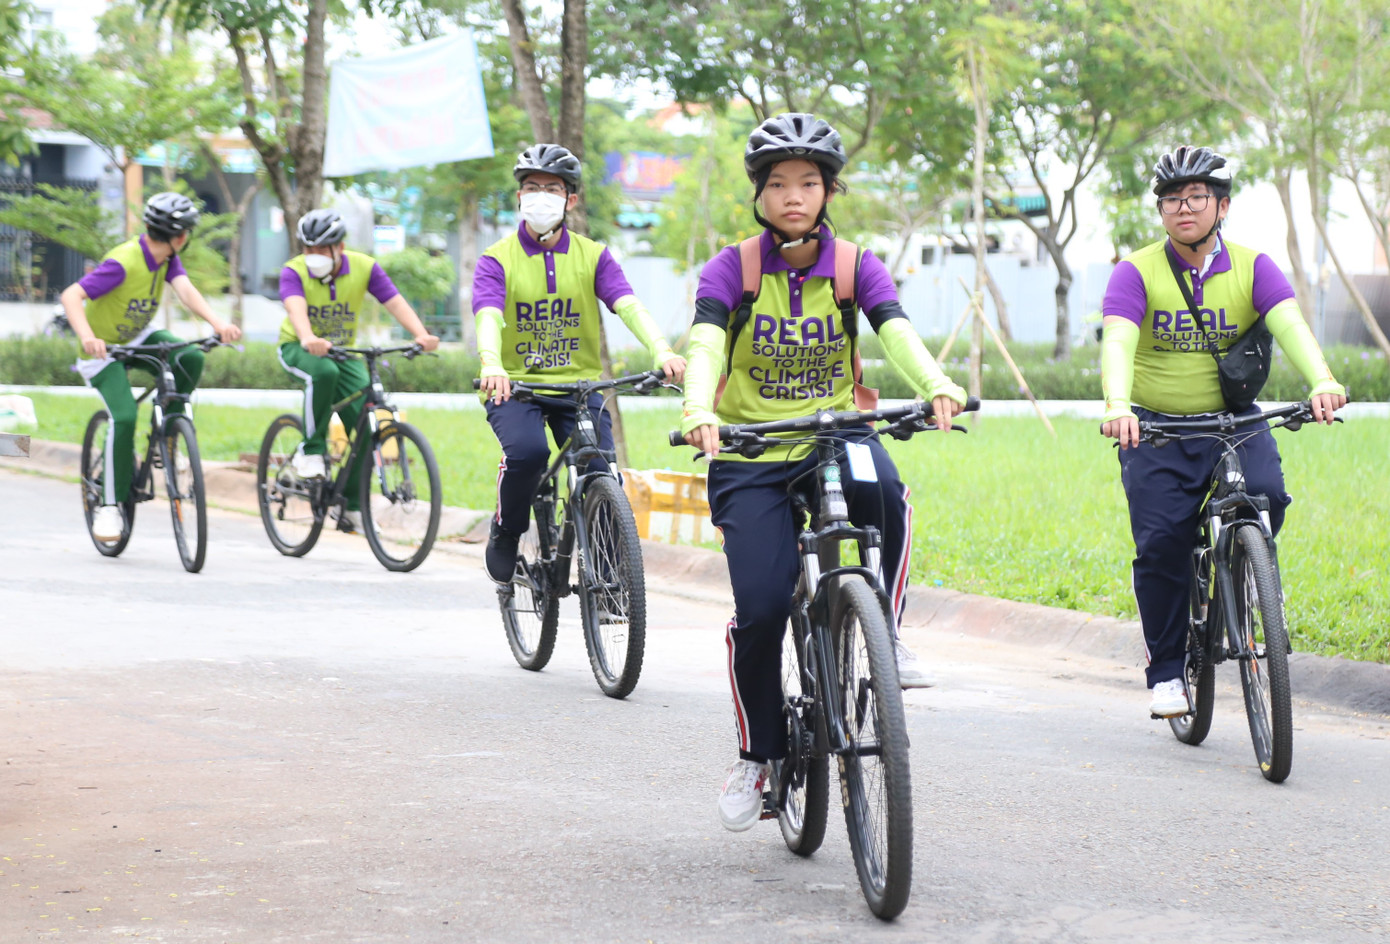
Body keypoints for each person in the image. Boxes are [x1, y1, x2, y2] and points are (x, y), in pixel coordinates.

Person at [678, 113, 967, 832]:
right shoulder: (733, 267)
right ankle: (759, 756)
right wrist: (696, 407)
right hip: (748, 449)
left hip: (834, 433)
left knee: (885, 490)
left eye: (808, 182)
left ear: (829, 190)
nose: (793, 196)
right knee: (763, 609)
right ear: (760, 194)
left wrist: (937, 381)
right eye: (778, 184)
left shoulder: (854, 265)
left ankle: (886, 629)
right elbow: (706, 343)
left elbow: (894, 327)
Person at [1099, 145, 1346, 718]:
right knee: (1161, 544)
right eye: (1170, 199)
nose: (1182, 208)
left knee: (1269, 494)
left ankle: (1255, 574)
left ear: (1222, 205)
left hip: (1234, 421)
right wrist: (1118, 404)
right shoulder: (1135, 270)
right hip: (1157, 429)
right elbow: (1117, 339)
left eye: (1196, 197)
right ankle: (1166, 671)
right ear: (1160, 210)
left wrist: (1322, 380)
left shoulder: (1254, 265)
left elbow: (1290, 323)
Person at [474, 143, 686, 581]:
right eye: (531, 187)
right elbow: (488, 315)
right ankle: (506, 530)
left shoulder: (593, 255)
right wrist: (491, 363)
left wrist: (662, 349)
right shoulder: (496, 259)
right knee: (529, 454)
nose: (539, 196)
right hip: (514, 386)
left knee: (599, 466)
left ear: (571, 199)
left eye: (551, 188)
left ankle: (608, 572)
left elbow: (628, 306)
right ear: (518, 196)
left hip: (580, 388)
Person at [60, 191, 243, 542]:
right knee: (124, 416)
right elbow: (72, 295)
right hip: (103, 352)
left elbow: (186, 291)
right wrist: (87, 337)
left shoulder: (166, 258)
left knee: (189, 355)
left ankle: (169, 433)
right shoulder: (123, 262)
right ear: (182, 236)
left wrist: (216, 324)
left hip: (139, 338)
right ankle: (110, 507)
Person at [276, 208, 440, 533]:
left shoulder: (364, 267)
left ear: (340, 246)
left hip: (342, 351)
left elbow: (392, 301)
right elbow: (295, 307)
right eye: (309, 249)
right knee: (323, 374)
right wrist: (308, 337)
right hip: (299, 347)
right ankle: (312, 451)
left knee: (369, 421)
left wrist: (419, 334)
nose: (314, 256)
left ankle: (351, 508)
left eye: (322, 249)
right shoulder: (293, 271)